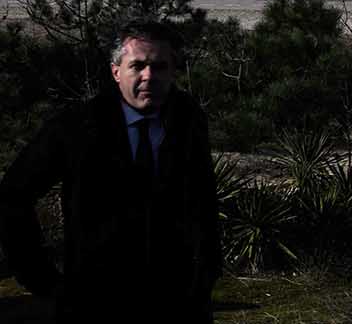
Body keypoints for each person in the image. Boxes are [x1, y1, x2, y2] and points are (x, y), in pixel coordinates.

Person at [0, 22, 220, 324]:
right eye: (138, 66)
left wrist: (208, 269)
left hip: (179, 300)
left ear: (172, 71)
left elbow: (204, 198)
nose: (149, 77)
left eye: (159, 66)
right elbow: (13, 194)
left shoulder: (188, 121)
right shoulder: (77, 127)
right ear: (116, 71)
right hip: (95, 300)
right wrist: (40, 277)